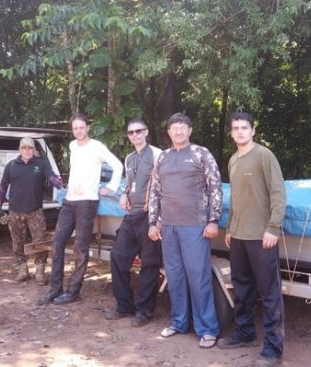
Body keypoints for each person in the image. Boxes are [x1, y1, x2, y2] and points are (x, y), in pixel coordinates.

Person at [216, 112, 286, 367]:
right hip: (239, 237)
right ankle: (245, 333)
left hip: (262, 237)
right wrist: (230, 229)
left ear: (253, 131)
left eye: (244, 128)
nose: (239, 132)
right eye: (235, 128)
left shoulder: (264, 156)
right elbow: (236, 198)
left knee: (269, 294)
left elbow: (278, 193)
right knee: (242, 289)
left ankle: (273, 350)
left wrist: (272, 228)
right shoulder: (234, 160)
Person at [148, 112, 222, 349]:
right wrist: (153, 221)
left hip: (195, 226)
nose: (178, 131)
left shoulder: (202, 154)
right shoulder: (163, 158)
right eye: (174, 128)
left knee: (198, 277)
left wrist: (213, 220)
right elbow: (155, 191)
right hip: (168, 227)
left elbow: (215, 187)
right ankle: (179, 322)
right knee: (175, 276)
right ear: (168, 132)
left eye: (183, 128)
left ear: (189, 131)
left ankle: (207, 329)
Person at [38, 113, 124, 306]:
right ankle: (54, 289)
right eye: (75, 128)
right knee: (57, 243)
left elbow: (117, 166)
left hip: (87, 202)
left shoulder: (97, 147)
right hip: (70, 200)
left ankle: (74, 291)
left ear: (88, 128)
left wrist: (110, 187)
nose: (78, 131)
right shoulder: (72, 146)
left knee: (80, 248)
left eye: (81, 127)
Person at [104, 119, 162, 327]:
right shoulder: (129, 158)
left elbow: (164, 186)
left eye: (139, 131)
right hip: (131, 216)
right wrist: (124, 194)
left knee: (149, 263)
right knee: (118, 256)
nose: (135, 135)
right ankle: (124, 305)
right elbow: (131, 184)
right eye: (131, 132)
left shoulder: (157, 155)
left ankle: (144, 311)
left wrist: (158, 220)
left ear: (146, 132)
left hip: (149, 216)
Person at [0, 136, 63, 285]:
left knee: (40, 242)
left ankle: (40, 271)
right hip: (15, 211)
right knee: (17, 242)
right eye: (24, 148)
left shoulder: (42, 164)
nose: (27, 151)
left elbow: (51, 177)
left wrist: (61, 186)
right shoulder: (11, 165)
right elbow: (3, 186)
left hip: (35, 211)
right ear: (20, 149)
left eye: (30, 148)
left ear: (34, 150)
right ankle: (22, 270)